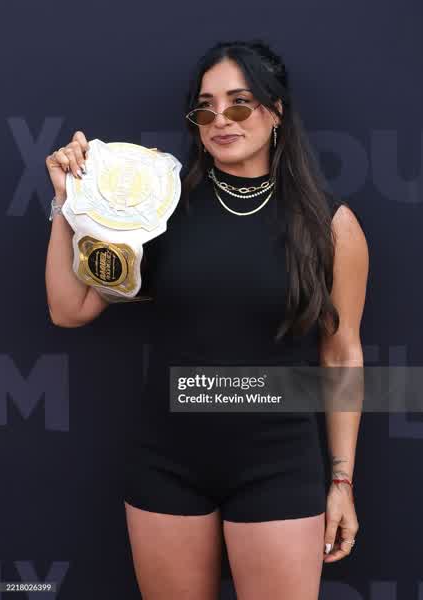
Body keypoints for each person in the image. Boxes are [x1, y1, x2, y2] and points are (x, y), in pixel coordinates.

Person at [45, 39, 368, 600]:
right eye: (206, 107)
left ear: (276, 111)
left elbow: (342, 355)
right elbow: (70, 309)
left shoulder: (331, 227)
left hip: (278, 465)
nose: (221, 119)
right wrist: (70, 203)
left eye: (240, 103)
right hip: (166, 464)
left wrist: (341, 479)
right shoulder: (156, 209)